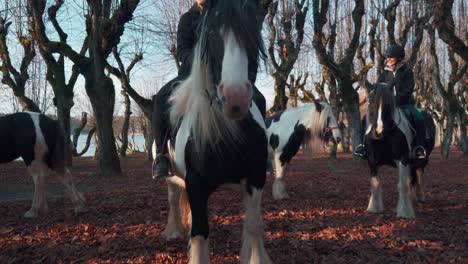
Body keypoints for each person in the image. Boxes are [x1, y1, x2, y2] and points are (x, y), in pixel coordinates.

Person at [152, 0, 267, 179]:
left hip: (221, 72)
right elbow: (182, 51)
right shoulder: (187, 18)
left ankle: (261, 149)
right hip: (191, 74)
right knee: (161, 98)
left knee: (260, 99)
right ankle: (161, 155)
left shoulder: (223, 13)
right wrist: (200, 63)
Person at [354, 44, 427, 160]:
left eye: (390, 57)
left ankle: (419, 147)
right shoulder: (385, 72)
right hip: (385, 105)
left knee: (419, 117)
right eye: (387, 57)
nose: (388, 59)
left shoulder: (407, 71)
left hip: (404, 104)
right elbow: (378, 88)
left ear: (399, 58)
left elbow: (408, 90)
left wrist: (393, 100)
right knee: (366, 118)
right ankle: (362, 145)